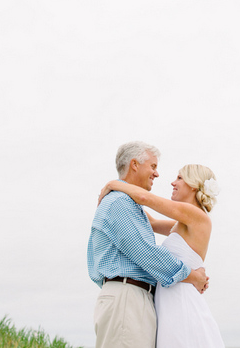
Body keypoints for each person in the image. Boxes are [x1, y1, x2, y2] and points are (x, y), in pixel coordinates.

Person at [87, 141, 209, 348]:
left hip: (142, 298)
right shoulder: (120, 202)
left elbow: (147, 213)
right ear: (134, 165)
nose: (158, 174)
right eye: (153, 166)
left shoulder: (190, 219)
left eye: (179, 178)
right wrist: (192, 275)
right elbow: (147, 254)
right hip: (128, 297)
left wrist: (116, 184)